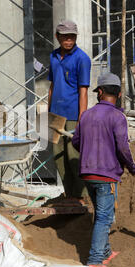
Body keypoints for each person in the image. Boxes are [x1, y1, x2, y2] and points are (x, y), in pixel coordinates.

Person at [71, 72, 135, 267]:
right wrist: (132, 167)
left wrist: (89, 154)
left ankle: (106, 252)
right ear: (118, 95)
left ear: (99, 92)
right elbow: (123, 147)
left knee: (101, 214)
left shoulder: (85, 115)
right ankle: (94, 261)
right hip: (106, 175)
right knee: (104, 217)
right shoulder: (118, 117)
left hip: (87, 174)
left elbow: (76, 141)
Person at [48, 19, 91, 204]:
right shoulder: (53, 56)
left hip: (73, 115)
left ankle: (82, 196)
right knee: (58, 157)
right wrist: (48, 114)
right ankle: (70, 194)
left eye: (72, 37)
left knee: (74, 156)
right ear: (57, 37)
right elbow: (52, 86)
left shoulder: (82, 59)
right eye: (65, 37)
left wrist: (82, 118)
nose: (69, 40)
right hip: (56, 115)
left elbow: (83, 91)